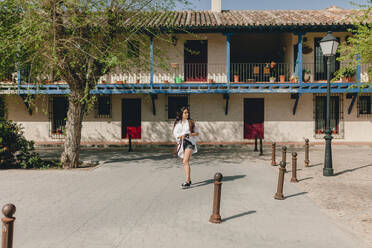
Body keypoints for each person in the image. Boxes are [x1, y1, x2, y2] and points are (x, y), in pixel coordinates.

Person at [173, 106, 199, 189]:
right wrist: (181, 136)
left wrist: (189, 134)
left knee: (185, 161)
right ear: (181, 114)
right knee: (185, 162)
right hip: (181, 144)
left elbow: (197, 133)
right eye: (185, 112)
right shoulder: (178, 124)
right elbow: (176, 134)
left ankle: (187, 181)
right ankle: (189, 179)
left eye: (187, 112)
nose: (187, 114)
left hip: (189, 143)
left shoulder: (191, 122)